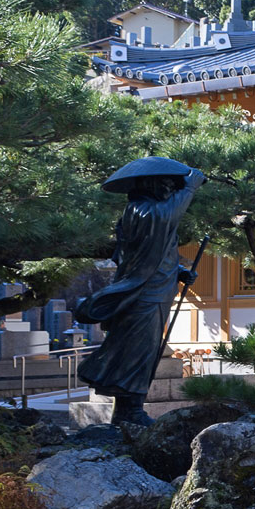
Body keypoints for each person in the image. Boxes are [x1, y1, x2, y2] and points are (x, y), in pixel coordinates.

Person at [74, 159, 206, 426]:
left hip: (156, 289)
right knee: (137, 350)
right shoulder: (141, 209)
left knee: (144, 351)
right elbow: (164, 217)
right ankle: (130, 410)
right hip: (141, 294)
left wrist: (178, 271)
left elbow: (153, 253)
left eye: (173, 185)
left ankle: (128, 410)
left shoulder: (154, 211)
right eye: (166, 183)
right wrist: (189, 188)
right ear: (150, 183)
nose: (170, 188)